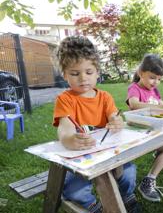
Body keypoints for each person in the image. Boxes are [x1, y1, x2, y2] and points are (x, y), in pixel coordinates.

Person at [53, 36, 140, 213]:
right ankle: (93, 206)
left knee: (129, 173)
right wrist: (69, 139)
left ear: (97, 72)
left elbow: (115, 117)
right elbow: (64, 127)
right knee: (73, 191)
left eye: (89, 72)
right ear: (65, 75)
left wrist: (117, 121)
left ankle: (126, 195)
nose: (83, 78)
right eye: (75, 74)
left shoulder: (104, 97)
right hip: (81, 158)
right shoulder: (65, 99)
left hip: (109, 152)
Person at [126, 54, 163, 202]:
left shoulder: (154, 90)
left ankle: (148, 180)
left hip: (154, 132)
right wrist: (157, 107)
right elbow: (134, 104)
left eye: (159, 79)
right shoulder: (134, 88)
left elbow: (162, 105)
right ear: (141, 73)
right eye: (153, 77)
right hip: (137, 134)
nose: (156, 82)